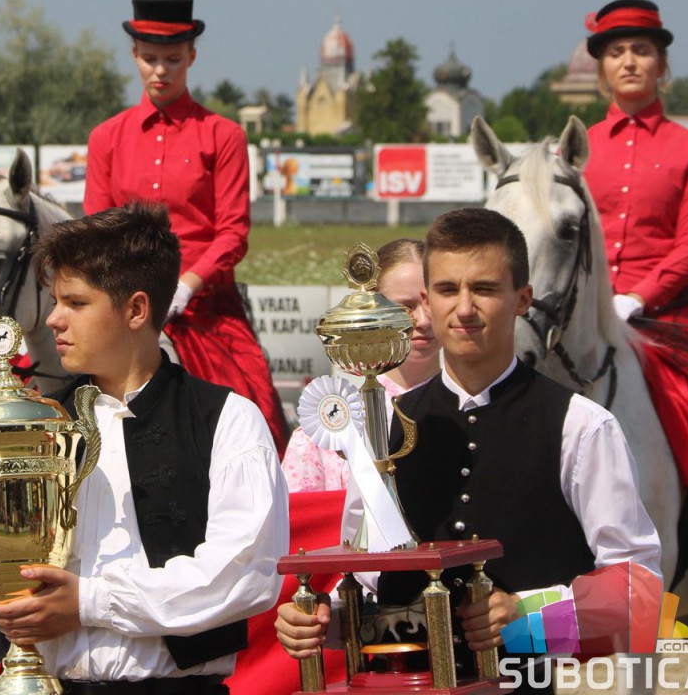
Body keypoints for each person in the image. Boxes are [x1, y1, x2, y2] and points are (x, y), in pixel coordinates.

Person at [0, 202, 289, 694]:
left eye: (75, 302)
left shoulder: (225, 420)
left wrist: (89, 603)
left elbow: (242, 575)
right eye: (54, 301)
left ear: (136, 309)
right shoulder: (30, 427)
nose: (54, 319)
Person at [274, 208, 660, 683]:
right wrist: (322, 620)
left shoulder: (581, 426)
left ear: (522, 299)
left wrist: (531, 618)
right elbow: (373, 581)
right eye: (447, 289)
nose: (464, 309)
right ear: (426, 299)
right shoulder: (380, 428)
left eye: (484, 289)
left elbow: (640, 590)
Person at [83, 0, 290, 455]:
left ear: (192, 56)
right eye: (150, 58)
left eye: (173, 59)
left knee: (255, 407)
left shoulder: (224, 136)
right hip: (126, 312)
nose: (161, 70)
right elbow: (97, 232)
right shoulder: (106, 138)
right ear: (134, 55)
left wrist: (188, 285)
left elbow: (233, 233)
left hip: (205, 311)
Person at [581, 0, 688, 531]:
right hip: (591, 316)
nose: (629, 61)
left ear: (662, 64)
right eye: (617, 51)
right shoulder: (579, 149)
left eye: (641, 50)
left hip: (672, 316)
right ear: (603, 68)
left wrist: (638, 296)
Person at [281, 238, 439, 492]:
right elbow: (302, 513)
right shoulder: (327, 428)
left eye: (431, 303)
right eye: (405, 307)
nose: (423, 320)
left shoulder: (470, 408)